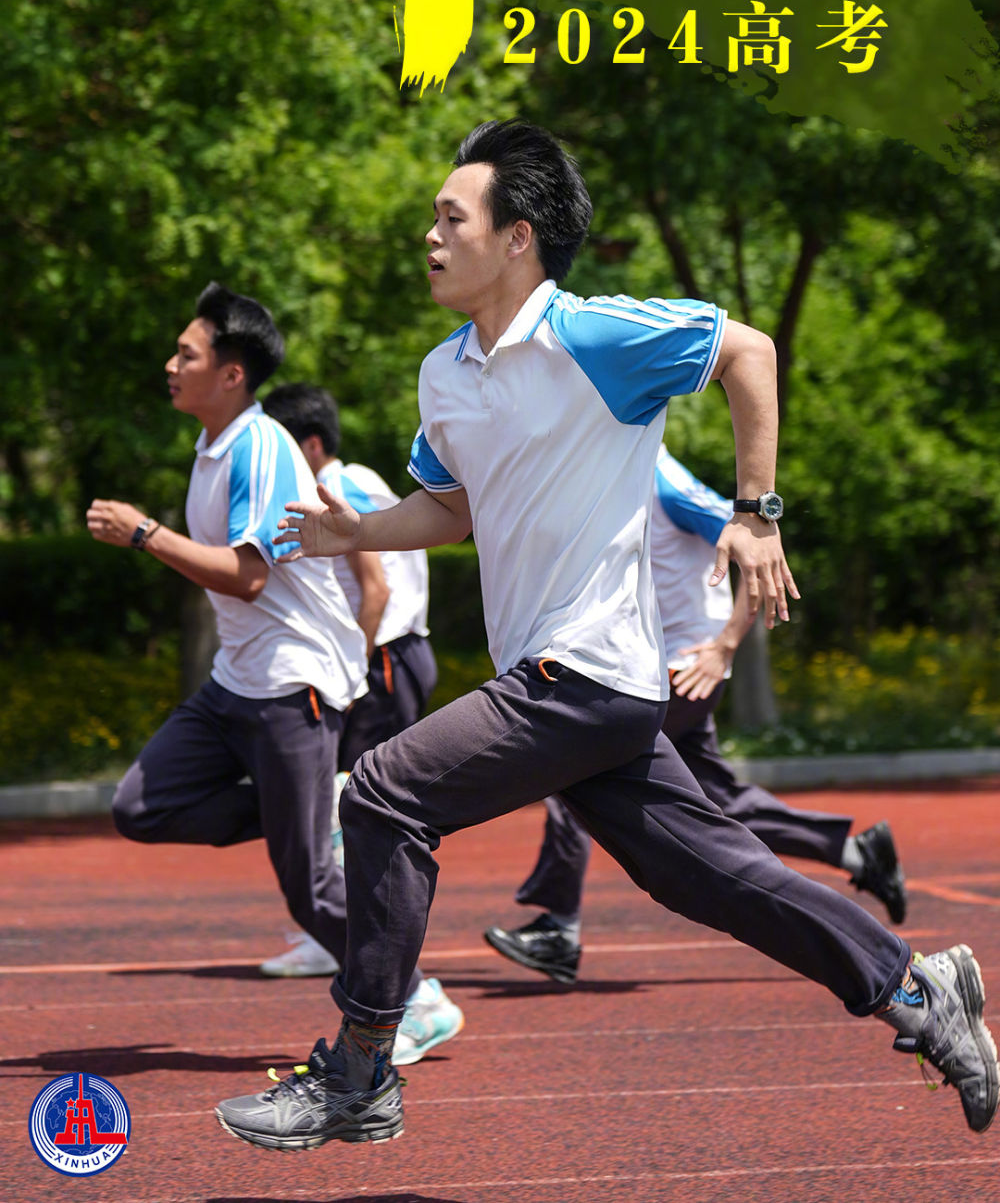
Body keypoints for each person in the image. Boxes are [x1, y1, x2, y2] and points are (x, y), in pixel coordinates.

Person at [214, 123, 997, 1153]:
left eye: (451, 218)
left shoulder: (592, 336)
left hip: (583, 674)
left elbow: (748, 351)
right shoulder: (445, 375)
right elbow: (450, 509)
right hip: (576, 690)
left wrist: (756, 512)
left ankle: (360, 1072)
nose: (430, 237)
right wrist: (356, 532)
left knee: (384, 794)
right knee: (709, 875)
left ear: (518, 238)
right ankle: (920, 991)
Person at [87, 282, 457, 1069]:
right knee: (141, 806)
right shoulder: (214, 448)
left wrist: (145, 533)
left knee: (311, 888)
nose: (170, 365)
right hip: (237, 683)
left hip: (294, 685)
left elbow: (248, 576)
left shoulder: (259, 446)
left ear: (231, 373)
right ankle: (311, 800)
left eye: (186, 353)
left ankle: (419, 995)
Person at [485, 445, 907, 984]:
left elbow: (757, 547)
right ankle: (857, 854)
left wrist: (724, 646)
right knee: (718, 798)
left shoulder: (665, 482)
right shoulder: (611, 472)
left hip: (682, 671)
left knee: (578, 771)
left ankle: (558, 929)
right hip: (655, 670)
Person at [257, 383, 459, 1067]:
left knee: (358, 813)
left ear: (311, 444)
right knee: (345, 812)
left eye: (283, 446)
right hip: (397, 657)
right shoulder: (364, 478)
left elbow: (375, 590)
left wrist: (345, 675)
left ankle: (400, 984)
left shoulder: (335, 489)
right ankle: (340, 939)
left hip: (382, 662)